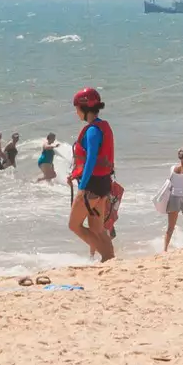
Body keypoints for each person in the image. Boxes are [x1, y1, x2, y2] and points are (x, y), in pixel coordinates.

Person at [67, 88, 116, 261]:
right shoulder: (103, 126)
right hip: (103, 183)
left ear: (85, 108)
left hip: (91, 186)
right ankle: (110, 259)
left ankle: (107, 255)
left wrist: (81, 187)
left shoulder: (92, 130)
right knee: (97, 228)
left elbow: (91, 160)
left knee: (74, 225)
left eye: (77, 108)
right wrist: (75, 175)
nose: (76, 112)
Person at [160, 148, 183, 250]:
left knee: (170, 227)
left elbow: (171, 182)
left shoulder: (173, 168)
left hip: (173, 198)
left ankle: (165, 249)